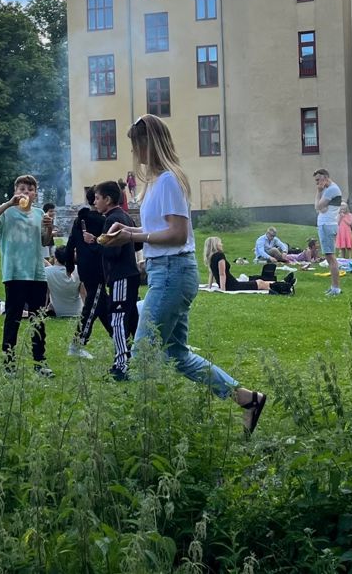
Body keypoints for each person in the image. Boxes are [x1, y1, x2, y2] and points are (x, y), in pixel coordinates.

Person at [98, 114, 268, 435]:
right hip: (169, 272)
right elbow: (158, 229)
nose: (135, 152)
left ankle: (142, 429)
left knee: (143, 352)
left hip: (173, 273)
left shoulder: (169, 181)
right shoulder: (159, 182)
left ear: (150, 143)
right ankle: (248, 400)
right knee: (175, 353)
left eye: (137, 144)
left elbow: (177, 234)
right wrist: (129, 230)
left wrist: (134, 237)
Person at [0, 174, 54, 376]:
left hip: (36, 273)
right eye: (21, 189)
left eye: (30, 189)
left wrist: (49, 229)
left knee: (38, 319)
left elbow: (44, 241)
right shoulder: (7, 213)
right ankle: (9, 364)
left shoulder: (40, 214)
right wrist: (8, 203)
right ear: (15, 191)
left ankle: (40, 362)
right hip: (14, 273)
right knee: (13, 319)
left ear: (35, 194)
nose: (25, 192)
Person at [91, 179, 142, 379]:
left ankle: (121, 364)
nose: (94, 202)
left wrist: (97, 243)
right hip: (131, 274)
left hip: (120, 276)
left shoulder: (112, 220)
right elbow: (137, 245)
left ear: (108, 199)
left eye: (97, 198)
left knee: (118, 320)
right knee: (132, 319)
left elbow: (114, 250)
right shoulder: (126, 217)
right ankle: (140, 357)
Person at [67, 188, 109, 359]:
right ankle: (77, 344)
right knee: (92, 305)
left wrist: (69, 265)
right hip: (97, 269)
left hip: (84, 268)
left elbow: (70, 244)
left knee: (103, 305)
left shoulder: (78, 221)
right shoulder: (101, 221)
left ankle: (124, 341)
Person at [205, 237, 291, 293]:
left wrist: (209, 287)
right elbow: (222, 274)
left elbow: (211, 273)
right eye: (220, 243)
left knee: (260, 281)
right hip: (232, 285)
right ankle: (284, 286)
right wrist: (223, 290)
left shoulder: (211, 257)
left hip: (230, 284)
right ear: (215, 245)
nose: (221, 244)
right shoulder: (219, 255)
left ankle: (282, 283)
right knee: (260, 283)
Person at [312, 169, 344, 296]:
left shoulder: (331, 189)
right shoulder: (327, 189)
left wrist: (318, 192)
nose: (317, 183)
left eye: (318, 180)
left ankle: (336, 288)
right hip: (325, 224)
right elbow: (319, 208)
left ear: (325, 177)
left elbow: (318, 207)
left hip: (327, 225)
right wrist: (320, 202)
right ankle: (333, 287)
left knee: (331, 257)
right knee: (329, 257)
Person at [44, 246, 83, 318]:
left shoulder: (46, 272)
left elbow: (45, 294)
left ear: (55, 257)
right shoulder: (78, 270)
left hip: (57, 312)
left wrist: (43, 311)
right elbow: (84, 294)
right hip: (78, 311)